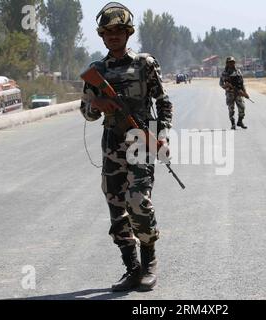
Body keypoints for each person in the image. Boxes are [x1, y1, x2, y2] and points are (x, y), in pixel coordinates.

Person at [80, 2, 173, 292]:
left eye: (119, 30)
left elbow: (163, 102)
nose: (113, 36)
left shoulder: (144, 64)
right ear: (102, 36)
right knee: (116, 206)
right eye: (108, 32)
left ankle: (149, 264)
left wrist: (162, 135)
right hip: (113, 146)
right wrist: (98, 104)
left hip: (141, 142)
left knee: (137, 201)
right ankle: (131, 269)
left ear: (128, 32)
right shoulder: (97, 70)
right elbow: (87, 113)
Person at [219, 56, 249, 130]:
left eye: (233, 62)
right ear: (227, 64)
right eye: (230, 62)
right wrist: (226, 86)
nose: (232, 64)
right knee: (231, 109)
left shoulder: (238, 71)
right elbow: (221, 83)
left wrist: (245, 93)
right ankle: (233, 124)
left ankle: (240, 121)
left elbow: (242, 83)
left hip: (239, 93)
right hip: (230, 94)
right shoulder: (224, 73)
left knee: (242, 107)